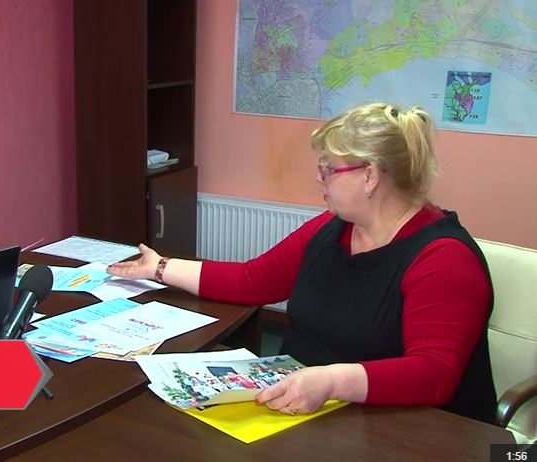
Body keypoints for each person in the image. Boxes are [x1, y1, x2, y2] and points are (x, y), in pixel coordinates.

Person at [108, 102, 497, 423]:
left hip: (409, 429)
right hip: (312, 410)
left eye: (328, 168)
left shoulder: (444, 259)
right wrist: (160, 267)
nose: (318, 177)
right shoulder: (332, 228)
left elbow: (434, 374)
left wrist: (332, 381)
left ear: (370, 176)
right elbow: (253, 280)